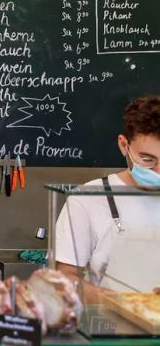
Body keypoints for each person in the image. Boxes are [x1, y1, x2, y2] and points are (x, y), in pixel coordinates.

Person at [55, 96, 160, 300]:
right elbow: (65, 278)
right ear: (123, 145)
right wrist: (117, 302)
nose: (158, 171)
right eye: (148, 160)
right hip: (109, 325)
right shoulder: (88, 198)